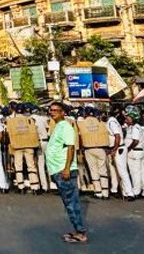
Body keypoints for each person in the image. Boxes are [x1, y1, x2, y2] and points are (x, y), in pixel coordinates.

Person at [46, 101, 88, 244]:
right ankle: (77, 230)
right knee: (68, 202)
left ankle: (80, 232)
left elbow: (71, 148)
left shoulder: (65, 127)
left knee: (71, 203)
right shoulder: (58, 127)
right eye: (51, 110)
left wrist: (66, 168)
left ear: (63, 113)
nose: (52, 112)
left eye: (56, 110)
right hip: (57, 169)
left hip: (64, 170)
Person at [5, 104, 40, 194]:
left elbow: (9, 133)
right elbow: (34, 132)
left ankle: (21, 187)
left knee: (18, 166)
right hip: (29, 145)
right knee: (31, 166)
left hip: (17, 145)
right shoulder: (30, 120)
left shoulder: (11, 121)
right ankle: (35, 187)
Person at [77, 107, 110, 199]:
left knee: (93, 170)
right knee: (103, 170)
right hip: (102, 148)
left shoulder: (81, 124)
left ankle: (98, 192)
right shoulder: (102, 123)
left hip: (88, 149)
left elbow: (79, 136)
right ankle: (105, 192)